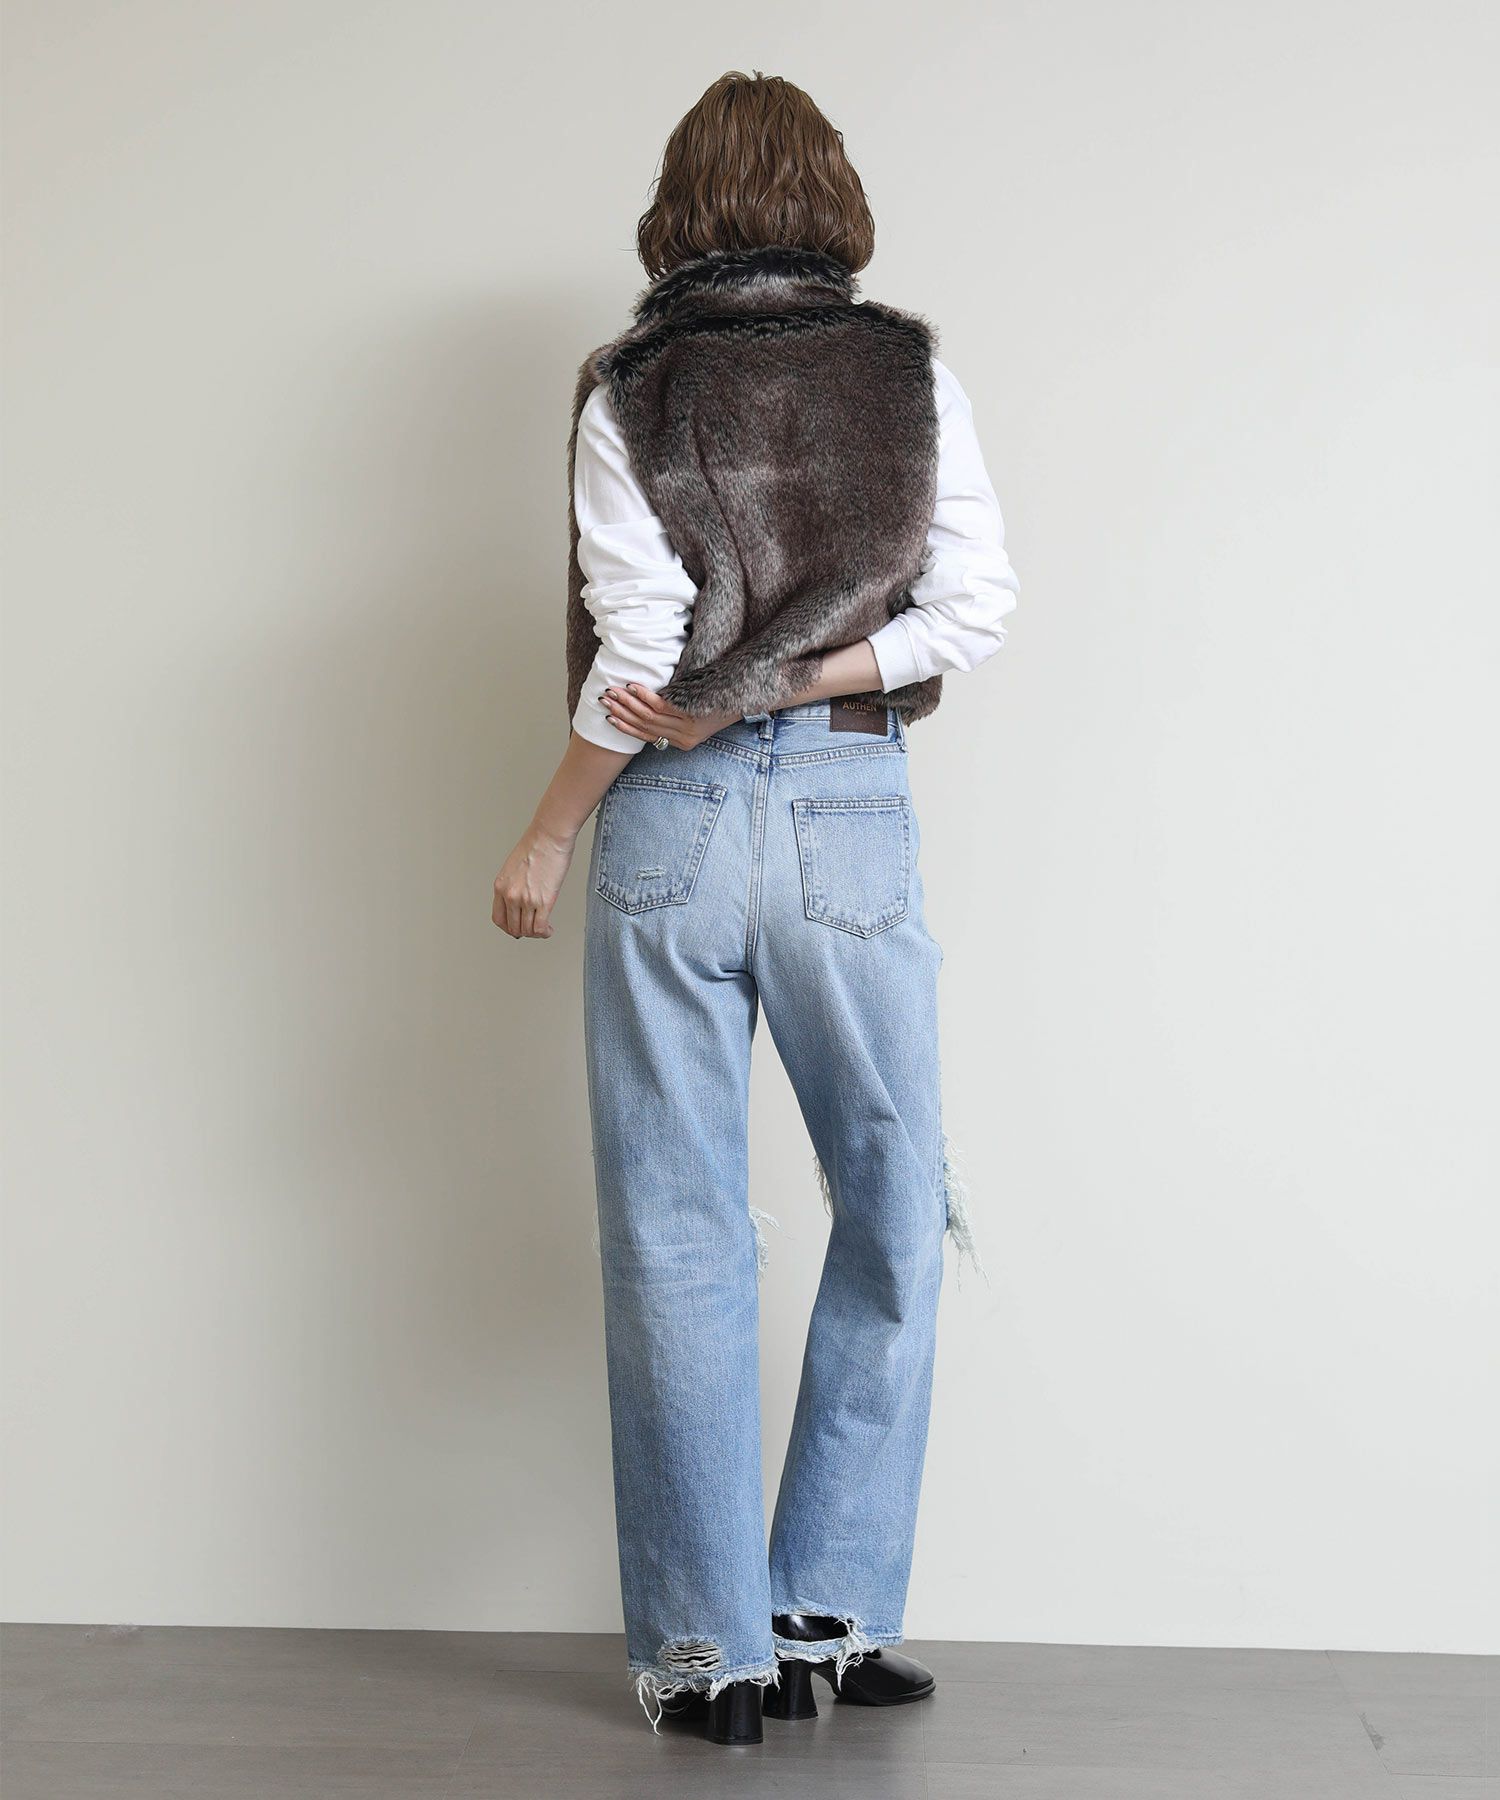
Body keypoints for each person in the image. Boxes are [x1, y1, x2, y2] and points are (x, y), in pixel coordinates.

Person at [492, 70, 1020, 1746]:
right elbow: (973, 609)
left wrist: (549, 833)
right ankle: (827, 1609)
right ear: (832, 196)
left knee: (675, 1225)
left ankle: (709, 1655)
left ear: (680, 205)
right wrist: (799, 678)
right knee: (893, 1198)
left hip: (672, 817)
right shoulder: (908, 373)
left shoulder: (631, 387)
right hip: (850, 814)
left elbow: (643, 655)